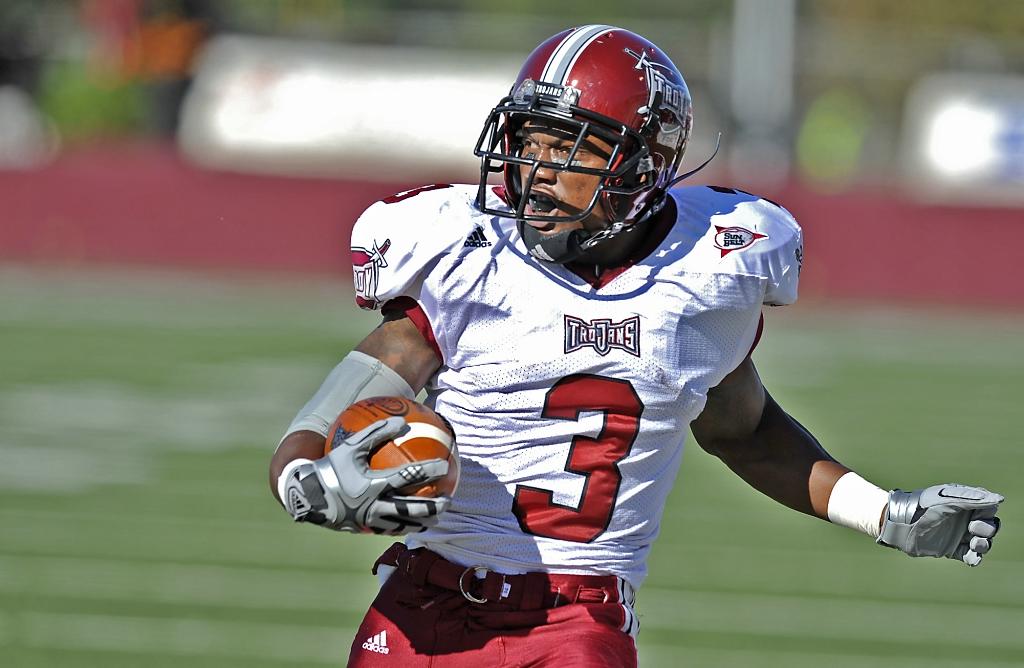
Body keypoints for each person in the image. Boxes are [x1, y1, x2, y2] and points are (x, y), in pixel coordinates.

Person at [269, 25, 1004, 667]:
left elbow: (746, 433)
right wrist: (306, 480)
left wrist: (884, 512)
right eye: (529, 143)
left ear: (643, 164)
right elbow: (336, 408)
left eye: (570, 147)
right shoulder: (466, 256)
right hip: (421, 607)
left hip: (574, 620)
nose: (537, 171)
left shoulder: (702, 278)